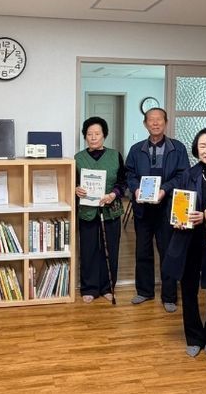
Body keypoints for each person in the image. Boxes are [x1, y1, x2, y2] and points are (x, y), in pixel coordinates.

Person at [163, 127, 206, 357]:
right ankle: (193, 336)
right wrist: (178, 219)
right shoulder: (188, 174)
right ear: (196, 149)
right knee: (188, 290)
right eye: (202, 146)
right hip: (188, 241)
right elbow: (177, 205)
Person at [125, 107, 189, 312]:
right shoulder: (136, 149)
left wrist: (164, 190)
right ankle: (144, 291)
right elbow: (129, 174)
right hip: (143, 208)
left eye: (159, 119)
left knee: (168, 251)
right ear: (145, 124)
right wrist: (135, 189)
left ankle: (169, 296)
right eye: (151, 120)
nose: (155, 123)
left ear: (166, 122)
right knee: (142, 250)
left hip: (167, 207)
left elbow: (183, 175)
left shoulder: (178, 148)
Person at [74, 116, 126, 303]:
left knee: (110, 249)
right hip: (87, 211)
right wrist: (76, 189)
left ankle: (107, 287)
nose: (93, 137)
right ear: (85, 136)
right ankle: (89, 287)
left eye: (97, 133)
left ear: (104, 135)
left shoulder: (115, 155)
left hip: (110, 209)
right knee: (88, 250)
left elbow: (123, 182)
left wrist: (113, 194)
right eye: (89, 134)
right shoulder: (78, 158)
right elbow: (72, 182)